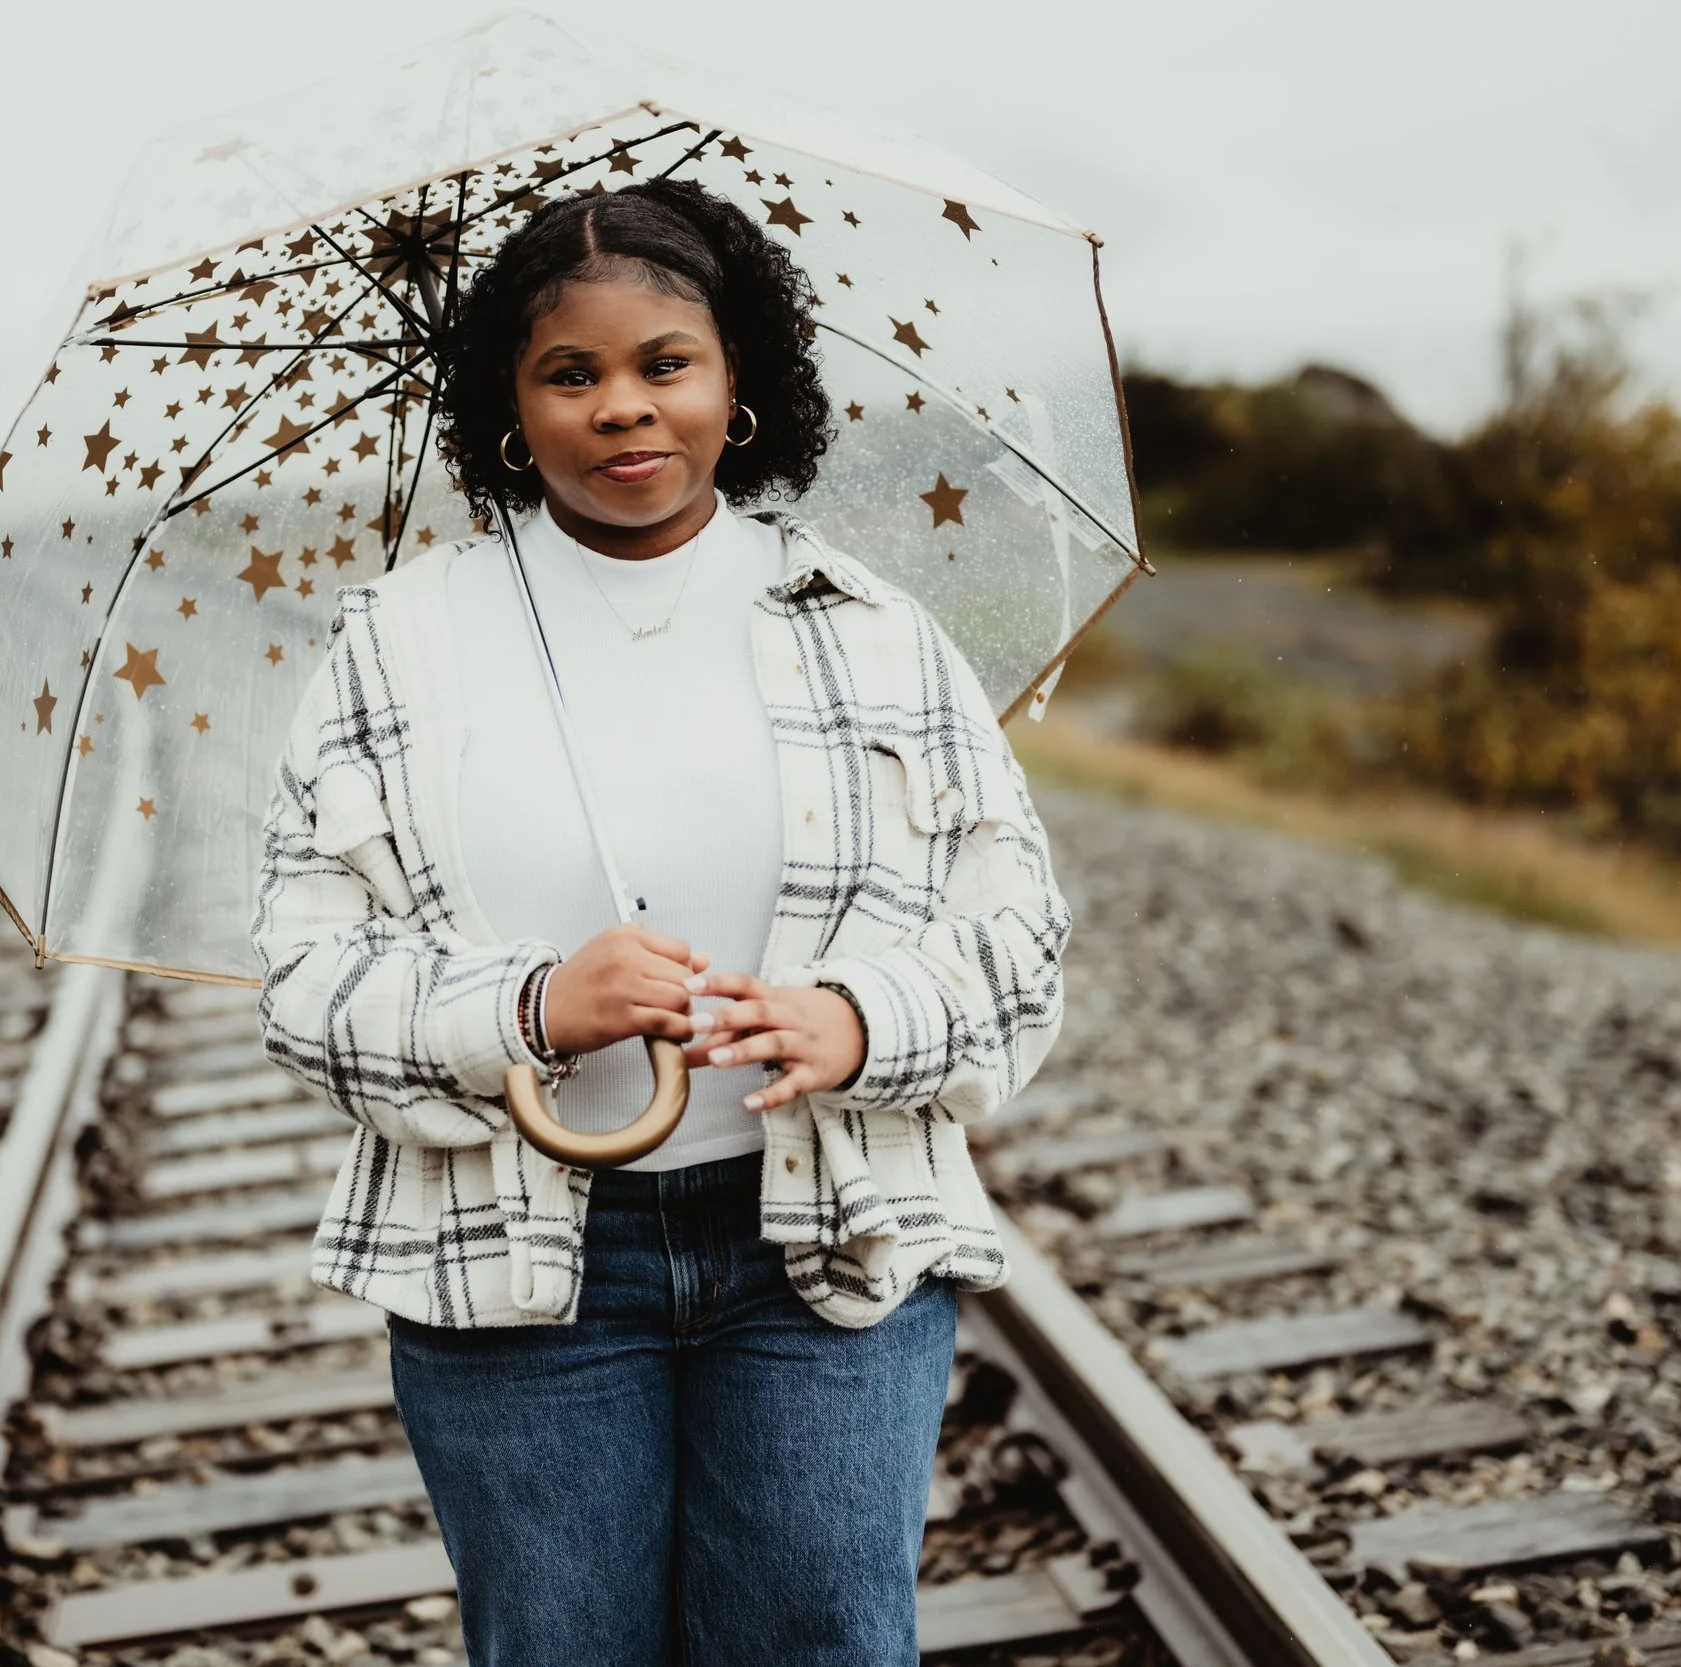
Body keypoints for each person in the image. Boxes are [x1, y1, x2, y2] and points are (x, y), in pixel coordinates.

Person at [252, 177, 1071, 1667]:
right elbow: (303, 983)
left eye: (664, 364)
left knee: (821, 1640)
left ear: (740, 378)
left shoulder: (871, 629)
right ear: (508, 404)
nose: (624, 409)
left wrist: (859, 1019)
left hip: (822, 1244)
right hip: (517, 1268)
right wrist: (527, 1008)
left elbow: (1020, 947)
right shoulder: (405, 647)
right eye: (572, 374)